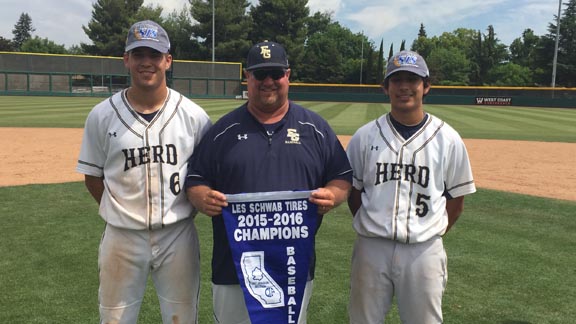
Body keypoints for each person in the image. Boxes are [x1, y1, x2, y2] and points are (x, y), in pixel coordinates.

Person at [185, 41, 352, 324]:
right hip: (233, 267)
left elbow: (341, 176)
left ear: (288, 75)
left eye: (275, 74)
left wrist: (333, 195)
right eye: (259, 75)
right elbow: (196, 179)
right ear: (247, 78)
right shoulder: (223, 131)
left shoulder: (315, 128)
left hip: (293, 265)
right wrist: (201, 196)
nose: (268, 82)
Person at [76, 20, 211, 324]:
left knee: (182, 318)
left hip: (178, 235)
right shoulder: (101, 116)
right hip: (121, 237)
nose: (146, 62)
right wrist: (120, 211)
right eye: (138, 55)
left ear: (168, 60)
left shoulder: (194, 117)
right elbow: (92, 177)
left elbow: (205, 178)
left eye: (154, 54)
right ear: (126, 60)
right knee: (114, 320)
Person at [346, 50, 476, 324]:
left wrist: (431, 230)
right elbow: (353, 193)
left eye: (412, 79)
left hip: (423, 250)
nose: (404, 86)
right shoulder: (364, 136)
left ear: (426, 86)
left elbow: (456, 200)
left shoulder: (448, 139)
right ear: (386, 87)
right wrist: (371, 222)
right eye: (396, 80)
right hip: (372, 247)